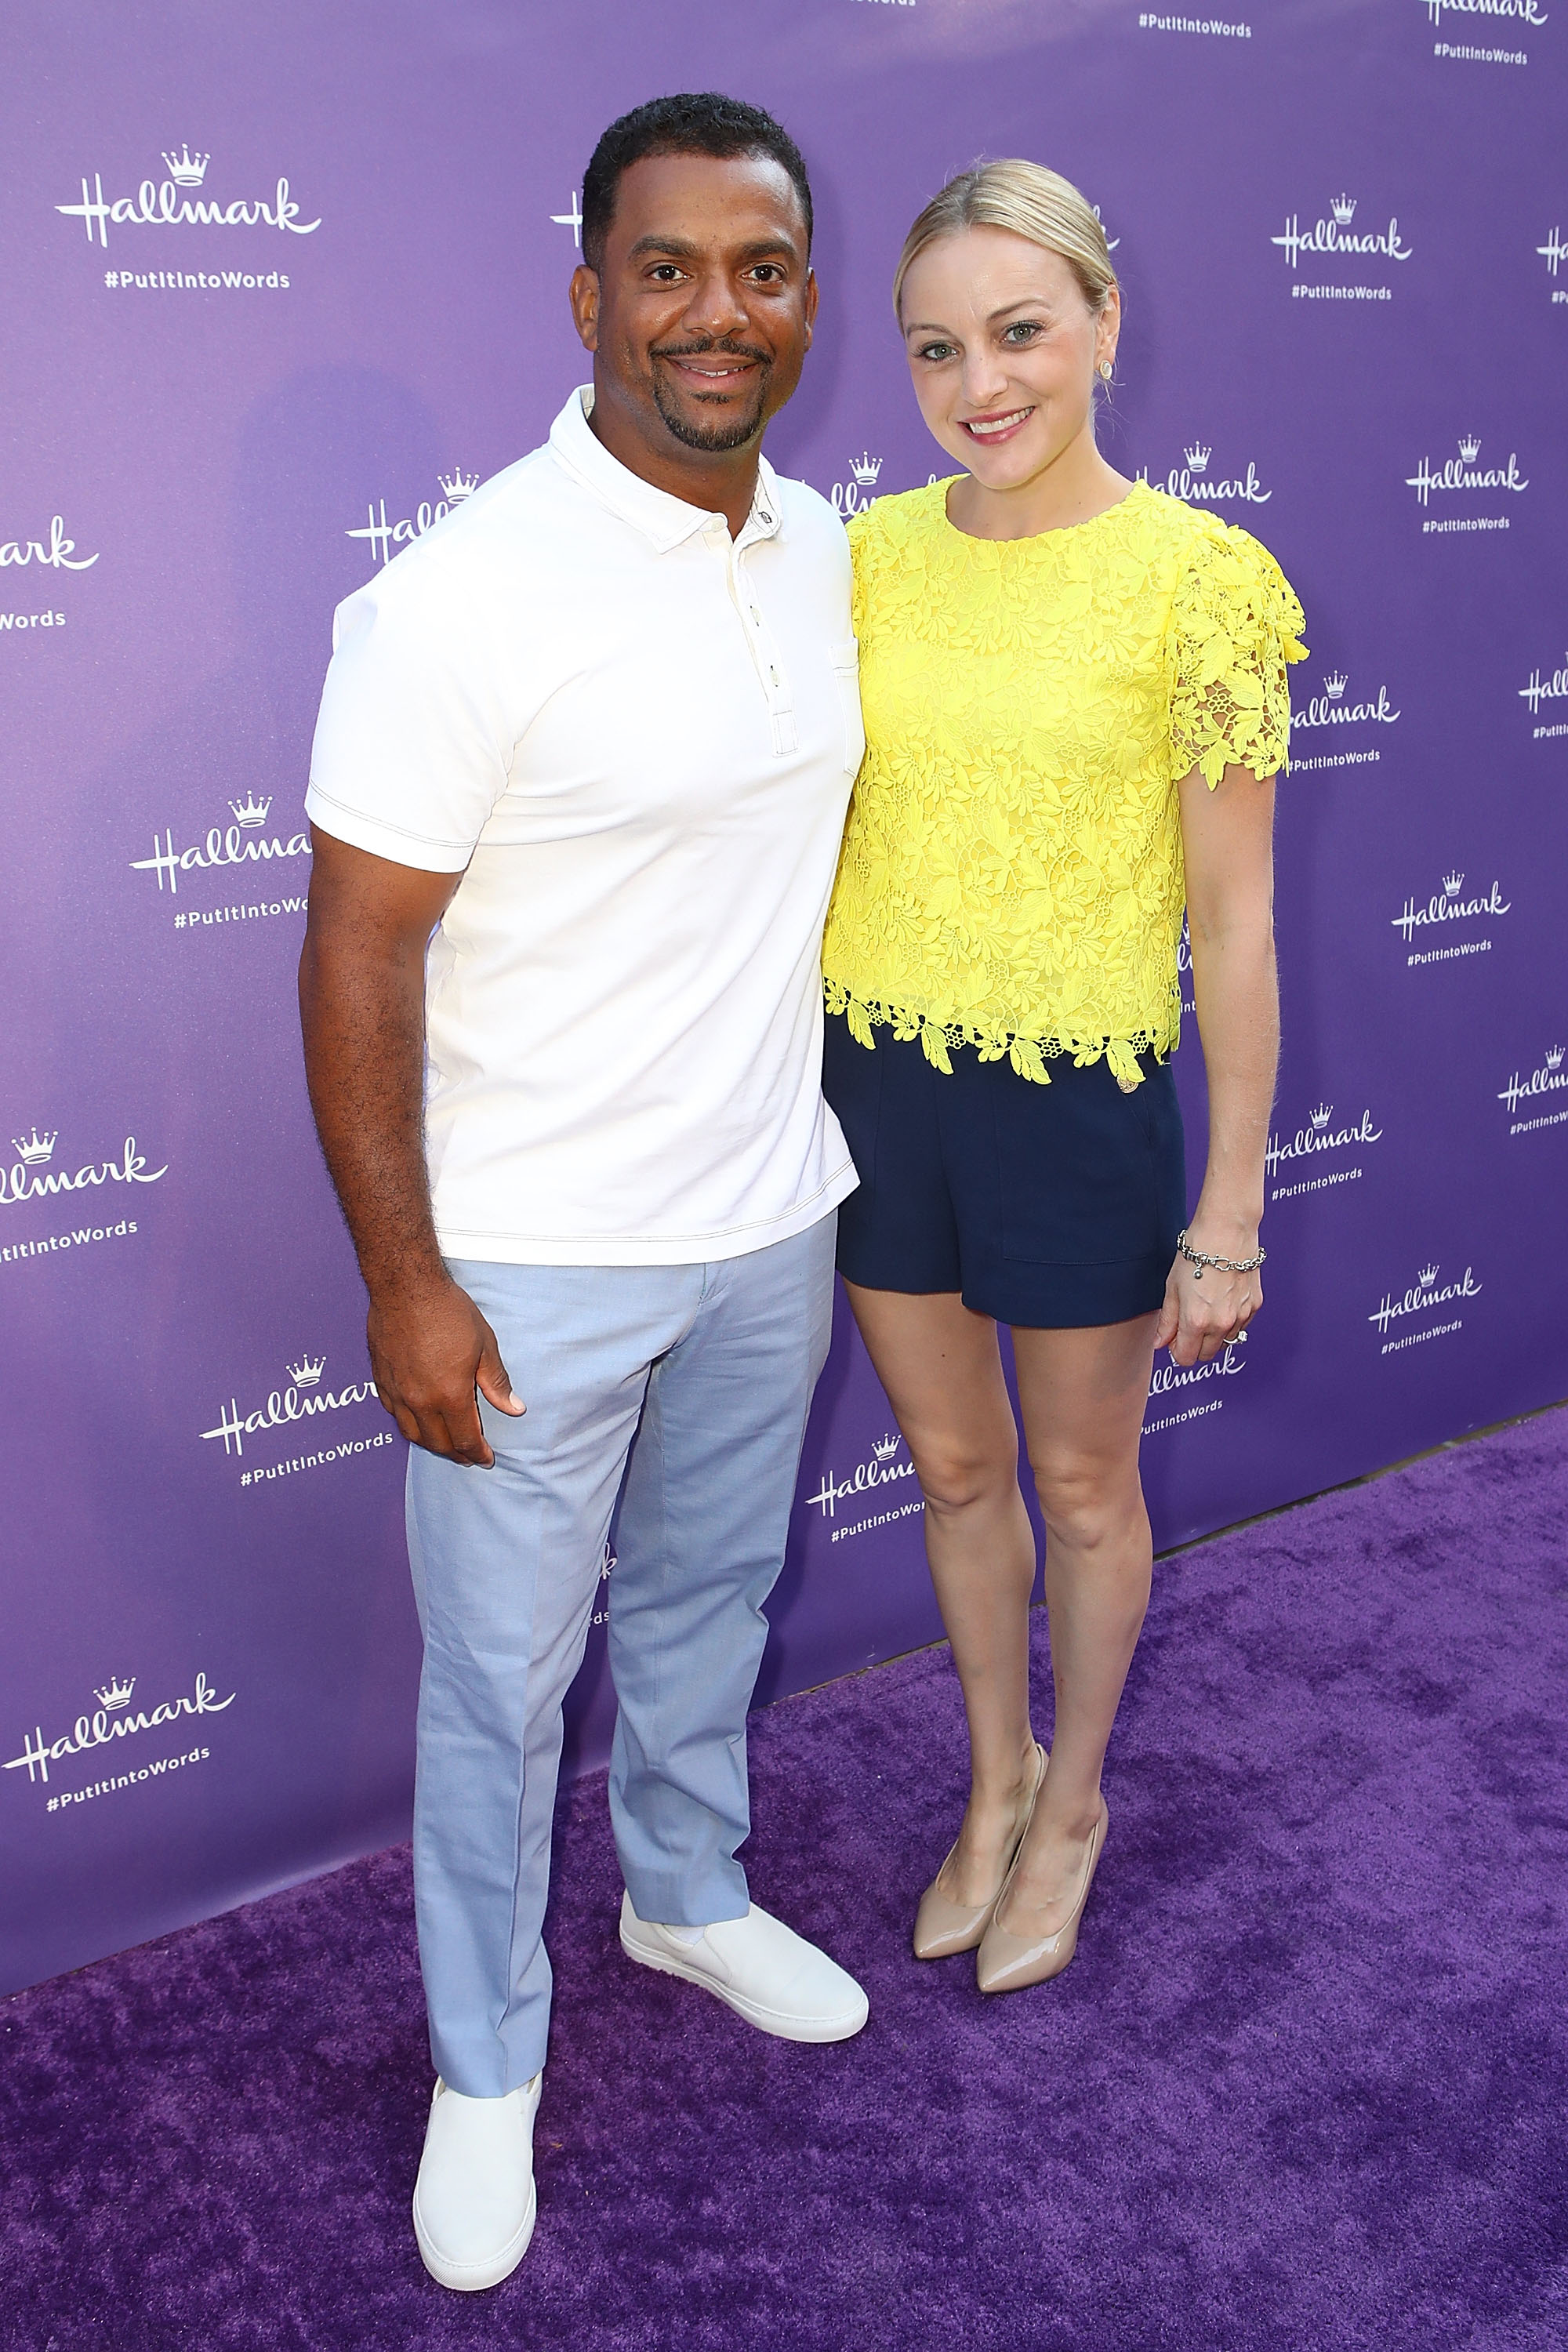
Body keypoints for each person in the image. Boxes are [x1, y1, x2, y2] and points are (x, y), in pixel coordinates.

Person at [299, 93, 869, 2294]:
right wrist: (406, 1278)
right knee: (502, 1686)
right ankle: (484, 2067)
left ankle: (686, 1892)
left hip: (767, 1214)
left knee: (712, 1609)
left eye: (759, 268)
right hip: (529, 1260)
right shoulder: (457, 593)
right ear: (589, 298)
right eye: (667, 270)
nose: (715, 313)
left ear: (804, 296)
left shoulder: (823, 547)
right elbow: (358, 951)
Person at [820, 161, 1305, 1996]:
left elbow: (1236, 930)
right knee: (953, 1471)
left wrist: (1229, 1208)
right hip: (875, 1086)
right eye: (938, 347)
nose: (980, 382)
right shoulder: (861, 554)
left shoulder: (1202, 583)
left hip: (1078, 1100)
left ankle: (1077, 1801)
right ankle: (991, 1774)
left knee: (1082, 1489)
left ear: (1105, 322)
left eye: (1020, 331)